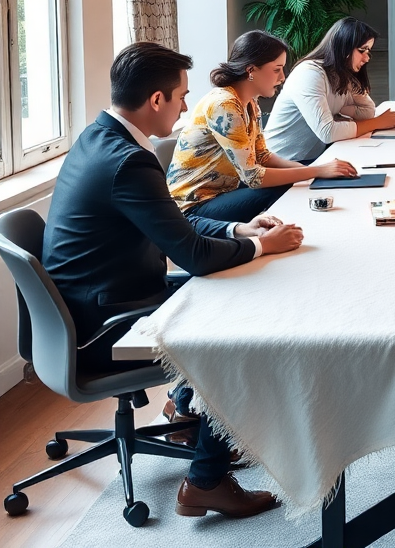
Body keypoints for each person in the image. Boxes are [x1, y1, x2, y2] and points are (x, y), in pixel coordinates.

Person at [42, 42, 303, 519]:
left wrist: (239, 229)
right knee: (241, 325)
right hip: (105, 325)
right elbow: (193, 256)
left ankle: (188, 414)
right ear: (156, 100)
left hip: (98, 301)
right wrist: (265, 246)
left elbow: (175, 229)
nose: (188, 105)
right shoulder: (129, 162)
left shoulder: (101, 138)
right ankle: (205, 480)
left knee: (238, 292)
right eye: (182, 96)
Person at [168, 31, 356, 224]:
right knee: (285, 184)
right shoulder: (224, 105)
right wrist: (316, 171)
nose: (282, 77)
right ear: (251, 71)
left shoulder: (250, 103)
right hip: (192, 207)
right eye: (277, 69)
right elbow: (254, 178)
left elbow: (262, 156)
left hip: (222, 192)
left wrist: (314, 170)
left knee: (298, 179)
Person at [264, 17, 395, 161]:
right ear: (343, 47)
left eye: (368, 51)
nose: (366, 58)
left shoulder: (341, 75)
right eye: (362, 50)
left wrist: (339, 110)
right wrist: (379, 122)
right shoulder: (309, 73)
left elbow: (367, 112)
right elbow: (328, 132)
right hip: (281, 164)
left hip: (314, 159)